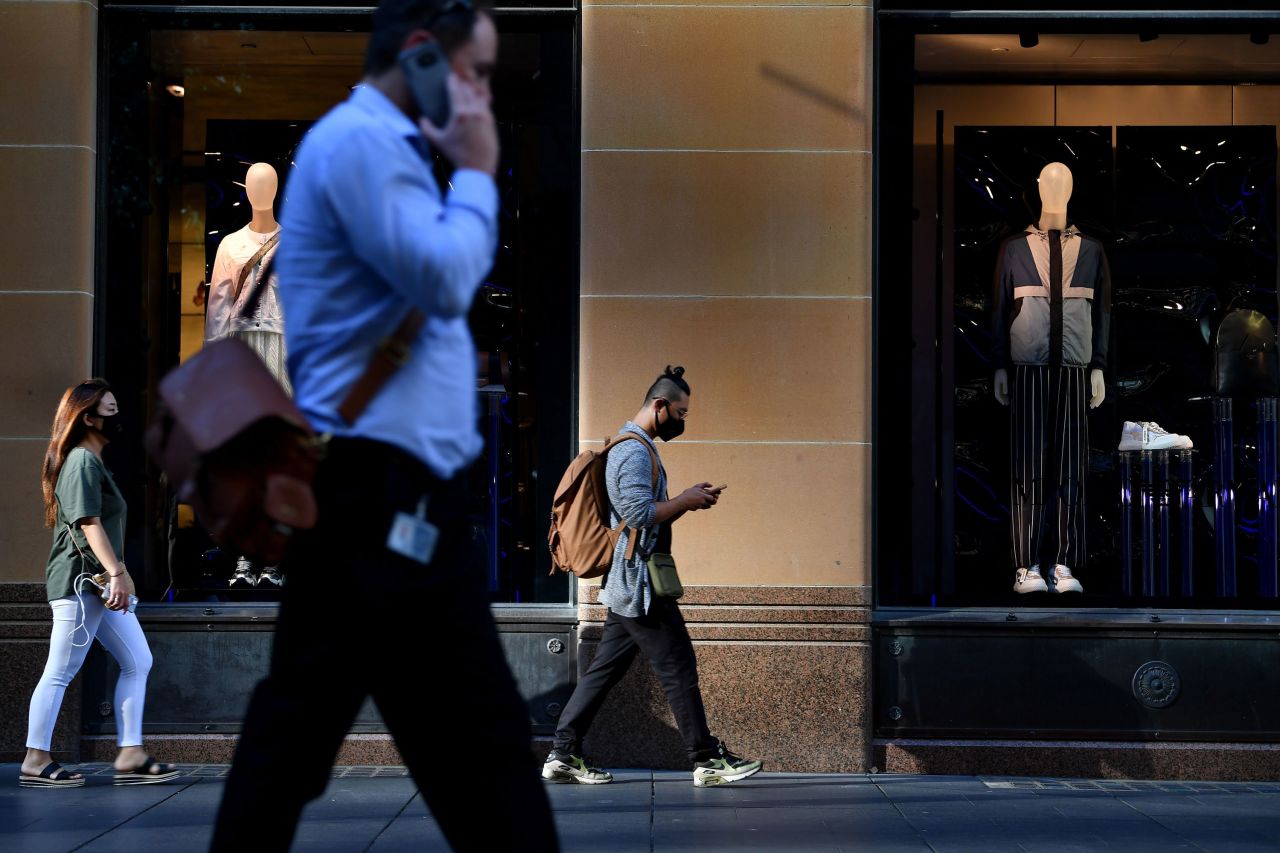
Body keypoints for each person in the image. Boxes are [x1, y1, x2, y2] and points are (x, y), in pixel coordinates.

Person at [210, 0, 558, 849]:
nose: (480, 90)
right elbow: (443, 278)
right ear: (422, 55)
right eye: (472, 67)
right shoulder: (364, 146)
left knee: (308, 728)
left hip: (383, 495)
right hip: (378, 490)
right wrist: (477, 170)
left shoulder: (382, 150)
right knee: (475, 742)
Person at [543, 366, 764, 788]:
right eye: (679, 413)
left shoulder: (640, 447)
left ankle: (564, 752)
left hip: (633, 585)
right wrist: (683, 500)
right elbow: (638, 515)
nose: (682, 421)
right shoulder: (631, 451)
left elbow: (645, 512)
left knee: (603, 671)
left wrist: (686, 500)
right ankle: (706, 760)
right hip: (640, 586)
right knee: (678, 668)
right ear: (659, 406)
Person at [21, 379, 178, 788]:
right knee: (60, 670)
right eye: (110, 410)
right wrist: (117, 574)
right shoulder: (81, 461)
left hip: (100, 584)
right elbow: (87, 523)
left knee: (138, 660)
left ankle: (129, 753)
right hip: (81, 582)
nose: (117, 416)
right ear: (87, 418)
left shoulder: (91, 462)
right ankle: (36, 758)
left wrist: (115, 576)